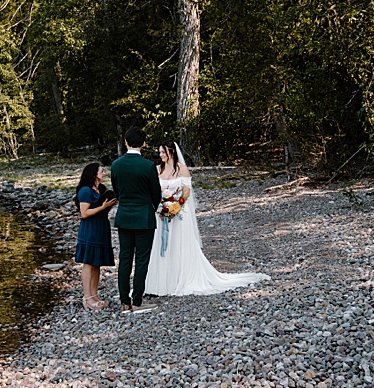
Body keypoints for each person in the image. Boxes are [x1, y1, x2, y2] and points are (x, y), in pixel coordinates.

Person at [145, 142, 270, 296]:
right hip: (162, 214)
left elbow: (186, 192)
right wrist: (162, 206)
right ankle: (163, 282)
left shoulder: (182, 169)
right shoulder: (158, 170)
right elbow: (154, 191)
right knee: (164, 246)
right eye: (160, 152)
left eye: (163, 152)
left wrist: (176, 207)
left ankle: (181, 278)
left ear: (171, 152)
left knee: (180, 244)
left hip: (180, 214)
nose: (160, 155)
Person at [109, 126, 163, 313]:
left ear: (125, 142)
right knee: (141, 259)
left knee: (125, 258)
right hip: (144, 216)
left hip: (124, 215)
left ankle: (124, 301)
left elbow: (117, 191)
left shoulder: (116, 165)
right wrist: (151, 208)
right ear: (144, 143)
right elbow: (156, 194)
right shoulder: (148, 166)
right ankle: (137, 300)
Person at [74, 162, 117, 310]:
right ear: (93, 174)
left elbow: (100, 210)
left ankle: (94, 294)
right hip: (90, 229)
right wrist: (103, 207)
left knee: (96, 263)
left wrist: (110, 204)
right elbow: (84, 213)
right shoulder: (85, 191)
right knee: (88, 262)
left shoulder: (100, 190)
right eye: (101, 171)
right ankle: (87, 297)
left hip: (101, 228)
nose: (104, 174)